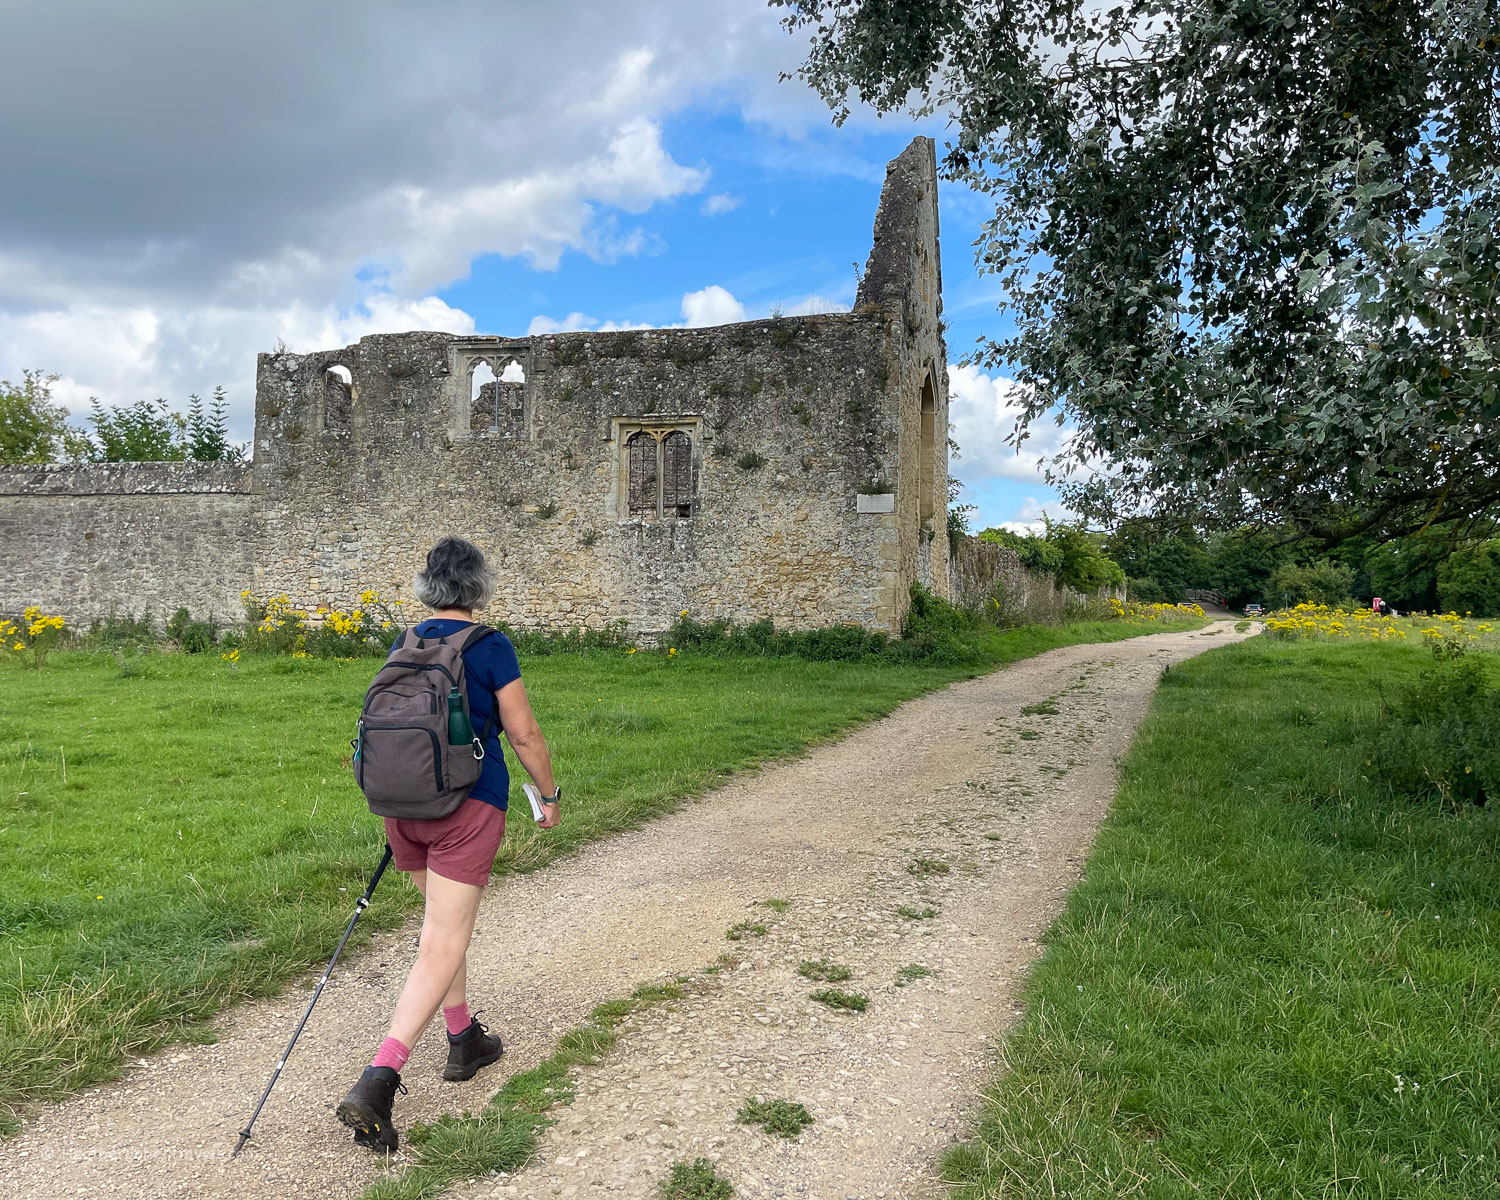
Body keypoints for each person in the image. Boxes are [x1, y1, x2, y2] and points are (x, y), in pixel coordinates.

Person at [335, 537, 560, 1151]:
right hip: (466, 807)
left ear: (427, 586)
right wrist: (550, 792)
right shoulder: (489, 646)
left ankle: (464, 1039)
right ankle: (380, 1078)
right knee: (442, 940)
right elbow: (524, 731)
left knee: (442, 930)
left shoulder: (406, 642)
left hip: (400, 810)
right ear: (479, 585)